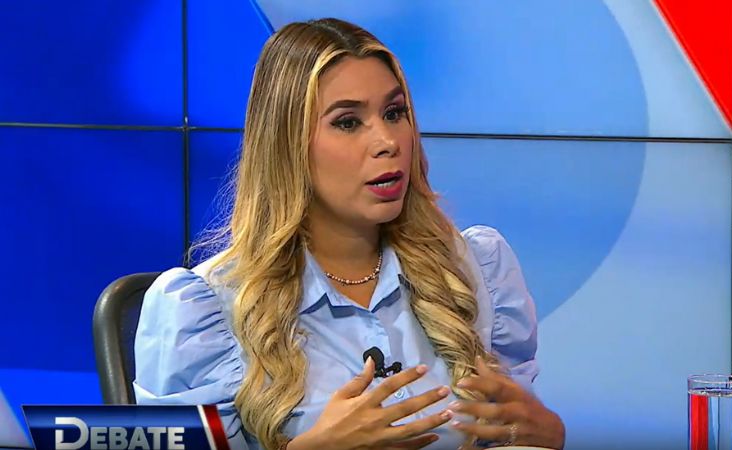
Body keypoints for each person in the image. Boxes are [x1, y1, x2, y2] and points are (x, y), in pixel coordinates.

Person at [133, 18, 565, 450]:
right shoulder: (203, 313)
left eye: (394, 113)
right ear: (287, 144)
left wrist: (550, 433)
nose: (388, 141)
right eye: (347, 122)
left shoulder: (476, 271)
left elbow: (519, 434)